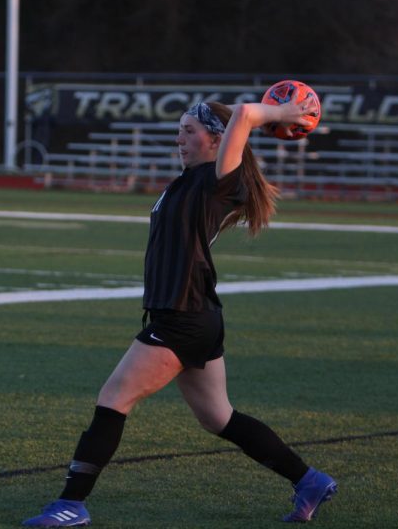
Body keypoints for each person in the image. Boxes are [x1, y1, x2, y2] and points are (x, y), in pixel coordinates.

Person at [21, 98, 337, 527]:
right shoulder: (190, 180)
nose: (179, 138)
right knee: (218, 417)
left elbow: (244, 115)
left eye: (189, 130)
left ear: (217, 141)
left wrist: (283, 115)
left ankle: (71, 504)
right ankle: (309, 480)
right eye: (180, 129)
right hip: (193, 314)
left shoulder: (217, 180)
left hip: (182, 317)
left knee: (114, 398)